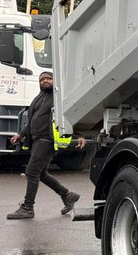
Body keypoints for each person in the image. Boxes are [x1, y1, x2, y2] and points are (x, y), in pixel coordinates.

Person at [7, 70, 86, 220]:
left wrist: (80, 134)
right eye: (42, 79)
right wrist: (20, 135)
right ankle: (68, 195)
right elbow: (31, 122)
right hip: (37, 139)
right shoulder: (38, 98)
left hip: (47, 139)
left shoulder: (58, 99)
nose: (45, 81)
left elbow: (70, 117)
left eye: (49, 79)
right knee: (41, 173)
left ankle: (28, 207)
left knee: (31, 171)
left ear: (55, 82)